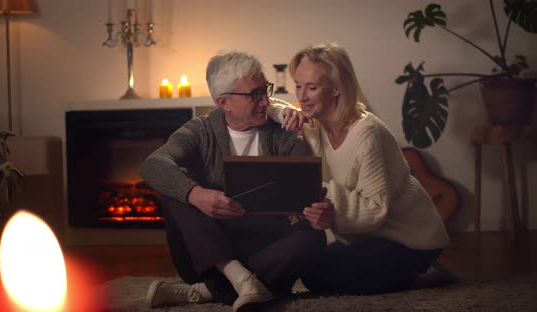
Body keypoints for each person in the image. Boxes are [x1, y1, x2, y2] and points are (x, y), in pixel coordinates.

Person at [140, 50, 331, 311]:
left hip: (264, 252)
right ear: (224, 102)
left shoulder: (285, 134)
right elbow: (153, 164)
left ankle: (210, 292)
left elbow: (303, 199)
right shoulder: (201, 130)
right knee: (176, 190)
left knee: (313, 237)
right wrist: (196, 194)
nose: (265, 101)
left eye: (266, 91)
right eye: (255, 95)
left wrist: (318, 213)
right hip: (207, 255)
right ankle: (235, 277)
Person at [266, 43, 450, 295]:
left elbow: (375, 210)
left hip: (410, 239)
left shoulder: (368, 133)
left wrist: (324, 201)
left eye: (312, 87)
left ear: (337, 89)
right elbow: (265, 104)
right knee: (309, 266)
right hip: (365, 238)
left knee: (320, 277)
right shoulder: (315, 124)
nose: (302, 96)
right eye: (298, 85)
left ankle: (421, 273)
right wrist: (284, 112)